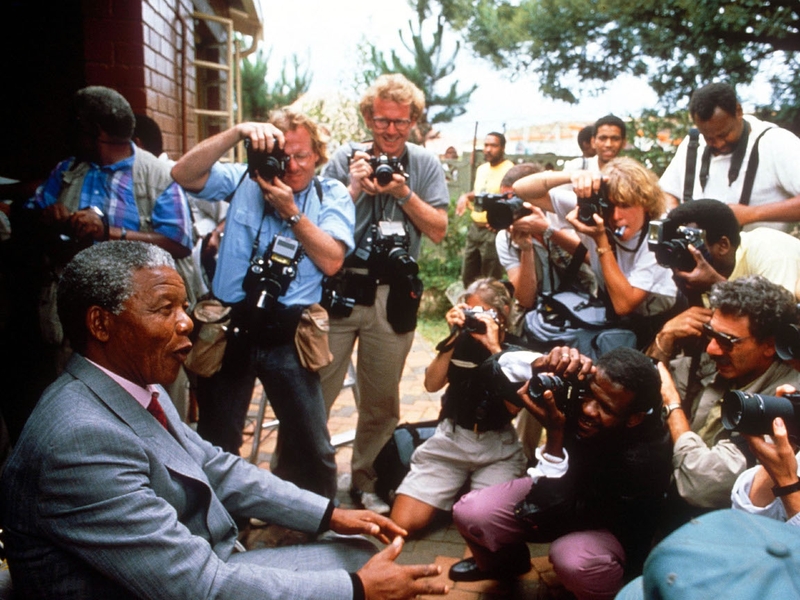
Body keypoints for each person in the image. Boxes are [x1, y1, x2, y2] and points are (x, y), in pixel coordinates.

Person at [0, 241, 447, 600]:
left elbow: (215, 466)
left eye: (184, 306)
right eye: (164, 309)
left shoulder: (136, 384)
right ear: (100, 323)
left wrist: (330, 513)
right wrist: (357, 591)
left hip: (196, 570)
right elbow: (195, 586)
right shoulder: (79, 440)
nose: (187, 323)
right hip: (180, 584)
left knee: (355, 548)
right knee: (356, 572)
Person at [171, 108, 355, 499]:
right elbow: (182, 175)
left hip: (290, 331)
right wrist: (236, 133)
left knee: (311, 443)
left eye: (301, 155)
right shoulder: (244, 179)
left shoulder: (331, 193)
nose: (289, 166)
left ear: (318, 156)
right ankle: (222, 526)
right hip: (230, 326)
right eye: (281, 154)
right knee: (218, 439)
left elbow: (332, 259)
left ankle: (319, 525)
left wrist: (291, 213)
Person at [5, 86, 194, 442]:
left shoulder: (156, 175)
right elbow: (28, 215)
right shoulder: (67, 171)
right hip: (81, 319)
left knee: (158, 421)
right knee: (85, 410)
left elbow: (179, 242)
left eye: (76, 128)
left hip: (143, 319)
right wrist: (50, 216)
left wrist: (109, 232)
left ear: (93, 130)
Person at [318, 73, 449, 514]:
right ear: (367, 119)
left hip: (392, 294)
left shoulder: (424, 164)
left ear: (413, 121)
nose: (390, 131)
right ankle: (304, 481)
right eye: (381, 121)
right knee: (315, 390)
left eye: (400, 122)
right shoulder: (343, 158)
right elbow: (316, 225)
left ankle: (367, 480)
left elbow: (437, 230)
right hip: (342, 288)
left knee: (381, 398)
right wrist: (354, 188)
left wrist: (403, 191)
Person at [449, 346, 672, 600]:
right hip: (563, 490)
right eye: (589, 395)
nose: (588, 410)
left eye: (605, 408)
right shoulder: (583, 392)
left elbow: (557, 506)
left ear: (634, 418)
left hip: (608, 525)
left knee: (572, 559)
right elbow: (492, 372)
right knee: (472, 511)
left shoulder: (645, 458)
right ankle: (505, 566)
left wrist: (555, 435)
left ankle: (613, 592)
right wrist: (540, 363)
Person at [654, 276, 800, 528]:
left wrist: (673, 407)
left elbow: (701, 484)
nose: (712, 349)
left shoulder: (784, 404)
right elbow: (650, 382)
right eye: (711, 334)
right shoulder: (727, 360)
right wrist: (664, 339)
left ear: (769, 346)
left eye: (726, 341)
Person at [389, 278, 529, 535]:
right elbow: (431, 384)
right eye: (470, 311)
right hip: (452, 440)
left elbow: (513, 407)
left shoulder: (517, 349)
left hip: (497, 448)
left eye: (483, 313)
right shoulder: (460, 342)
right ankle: (455, 494)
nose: (476, 319)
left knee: (485, 527)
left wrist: (494, 350)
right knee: (401, 524)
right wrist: (452, 337)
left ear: (504, 312)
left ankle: (464, 496)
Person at [513, 157, 677, 352]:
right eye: (610, 206)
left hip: (655, 321)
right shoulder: (597, 213)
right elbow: (522, 189)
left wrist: (601, 240)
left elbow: (624, 304)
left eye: (625, 206)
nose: (616, 217)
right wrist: (573, 176)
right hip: (613, 316)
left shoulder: (657, 235)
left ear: (646, 203)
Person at [647, 199, 800, 364]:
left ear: (723, 245)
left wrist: (716, 285)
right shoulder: (701, 269)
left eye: (691, 245)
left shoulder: (770, 251)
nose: (685, 254)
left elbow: (776, 331)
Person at [659, 82, 800, 232]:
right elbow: (665, 193)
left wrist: (751, 214)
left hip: (760, 253)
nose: (719, 144)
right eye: (709, 138)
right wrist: (674, 220)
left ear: (738, 111)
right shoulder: (693, 144)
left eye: (724, 134)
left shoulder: (776, 142)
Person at [455, 132, 515, 286]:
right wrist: (466, 196)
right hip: (475, 230)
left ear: (502, 148)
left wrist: (503, 223)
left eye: (493, 145)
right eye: (486, 145)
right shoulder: (482, 169)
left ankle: (491, 310)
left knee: (490, 280)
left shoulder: (510, 170)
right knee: (468, 277)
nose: (488, 149)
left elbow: (513, 199)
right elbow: (481, 192)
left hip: (493, 232)